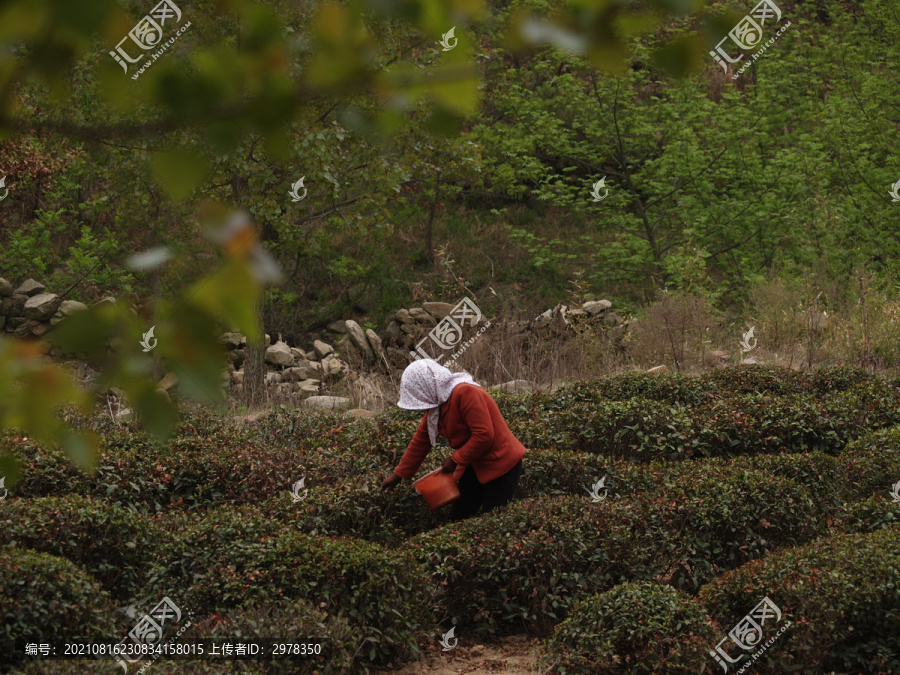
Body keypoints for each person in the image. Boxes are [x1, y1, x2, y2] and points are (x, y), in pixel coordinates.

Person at [381, 359, 527, 520]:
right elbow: (421, 442)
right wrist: (398, 476)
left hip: (502, 464)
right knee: (458, 518)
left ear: (428, 387)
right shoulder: (437, 406)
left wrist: (455, 459)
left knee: (492, 520)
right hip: (474, 463)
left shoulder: (465, 393)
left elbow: (484, 435)